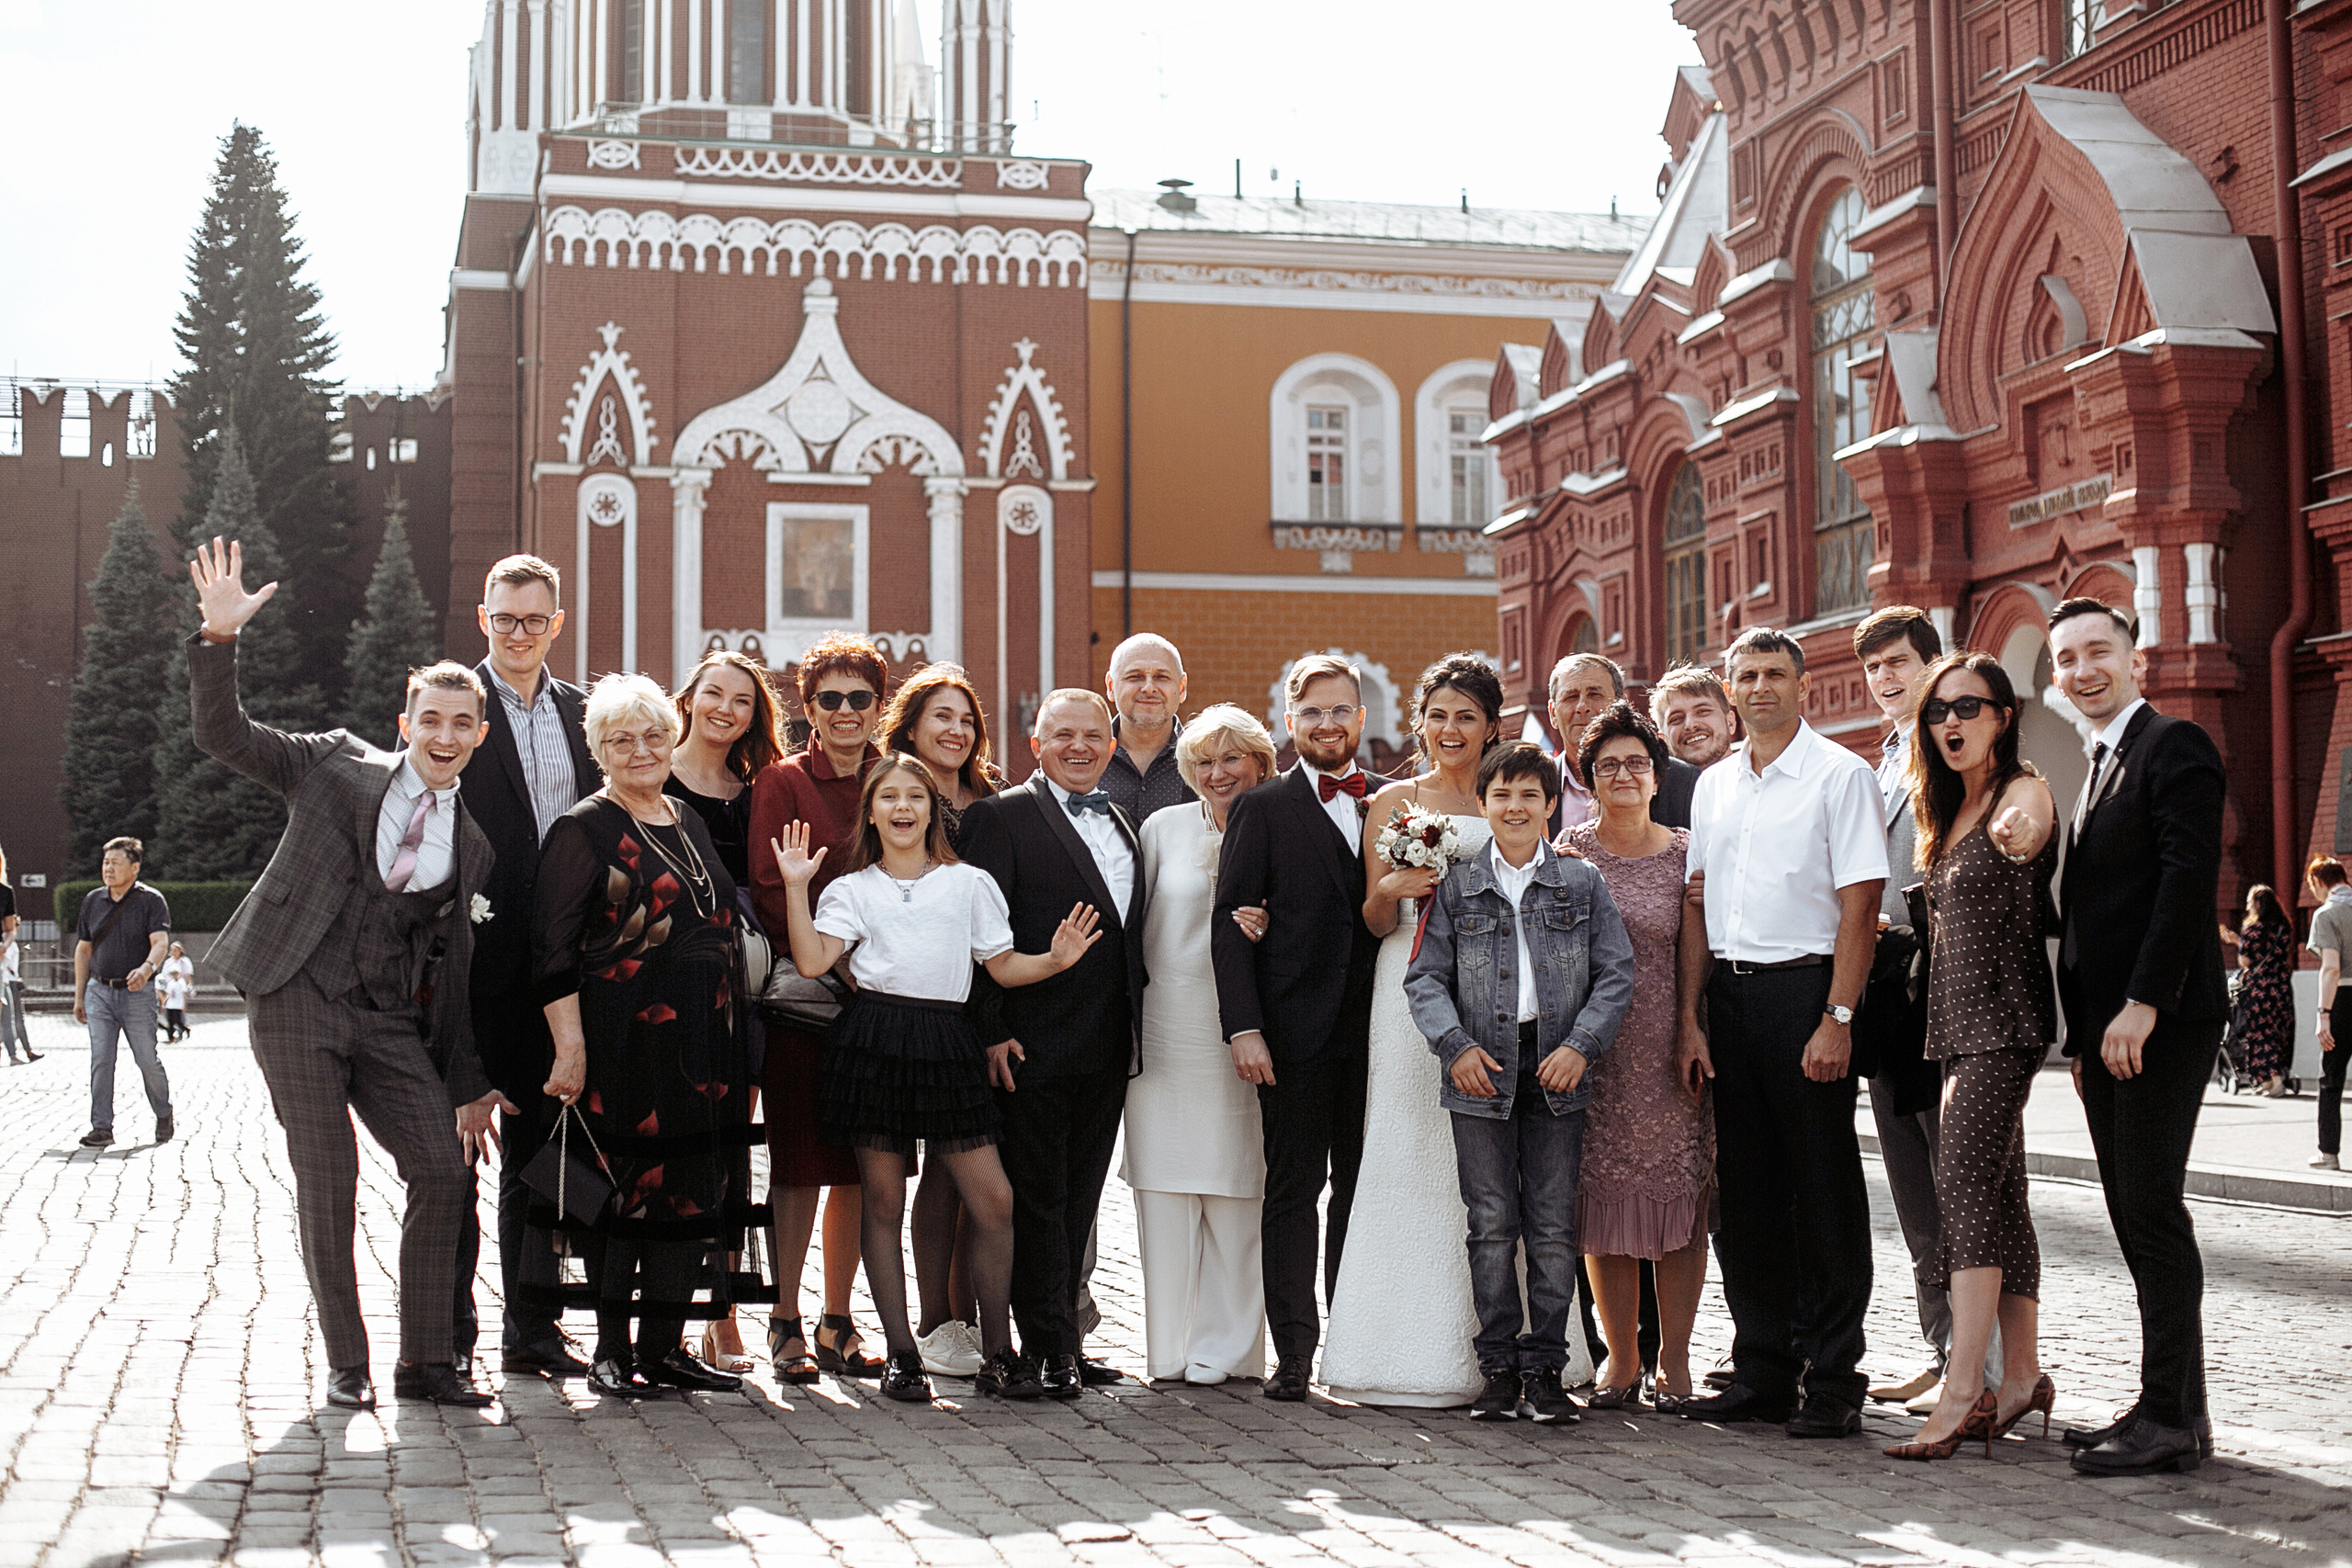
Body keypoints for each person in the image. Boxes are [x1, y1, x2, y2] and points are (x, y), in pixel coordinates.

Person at [187, 536, 508, 1410]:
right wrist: (220, 642)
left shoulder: (471, 846)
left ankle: (427, 1362)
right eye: (429, 720)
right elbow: (225, 735)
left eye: (460, 723)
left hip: (384, 1017)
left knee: (443, 1169)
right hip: (294, 992)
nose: (443, 736)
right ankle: (348, 1363)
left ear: (478, 735)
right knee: (329, 1175)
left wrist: (469, 1079)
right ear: (406, 725)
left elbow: (461, 971)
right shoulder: (334, 763)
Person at [774, 754, 1099, 1402]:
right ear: (870, 811)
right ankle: (902, 1354)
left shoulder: (970, 883)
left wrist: (1056, 960)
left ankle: (999, 1352)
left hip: (948, 1041)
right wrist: (793, 886)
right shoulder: (851, 888)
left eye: (913, 796)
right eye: (887, 796)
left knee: (994, 1199)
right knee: (884, 1199)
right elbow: (812, 960)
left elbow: (1002, 967)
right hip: (876, 1040)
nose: (901, 807)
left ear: (931, 808)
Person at [1679, 626, 1886, 1438]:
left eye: (1775, 673)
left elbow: (1861, 908)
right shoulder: (1714, 785)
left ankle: (1835, 1376)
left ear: (1802, 684)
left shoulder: (1842, 775)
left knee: (1825, 1191)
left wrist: (1837, 1017)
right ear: (1731, 691)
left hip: (1807, 997)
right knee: (1750, 1195)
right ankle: (1764, 1366)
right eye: (1747, 676)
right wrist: (1691, 1019)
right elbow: (1699, 909)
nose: (1760, 687)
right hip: (1729, 1002)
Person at [2048, 596, 2228, 1477]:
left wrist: (2145, 1003)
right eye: (2067, 658)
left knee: (2151, 1211)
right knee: (2132, 1211)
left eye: (2098, 652)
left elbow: (2189, 881)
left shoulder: (2172, 745)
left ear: (2133, 657)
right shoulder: (2098, 761)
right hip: (2110, 1032)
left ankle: (2167, 1416)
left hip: (2158, 1021)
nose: (2083, 670)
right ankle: (2176, 1406)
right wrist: (2087, 1034)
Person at [535, 673, 751, 1400]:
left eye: (654, 734)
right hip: (622, 1044)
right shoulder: (582, 828)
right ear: (598, 749)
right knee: (625, 1196)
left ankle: (663, 1345)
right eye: (621, 739)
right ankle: (609, 1350)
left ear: (672, 738)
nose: (640, 749)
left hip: (702, 1045)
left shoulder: (685, 820)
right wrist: (569, 1048)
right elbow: (552, 952)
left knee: (693, 1192)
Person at [1324, 653, 1528, 1406]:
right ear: (1421, 723)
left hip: (1495, 990)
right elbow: (1372, 918)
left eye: (1466, 716)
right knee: (1406, 1149)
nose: (1451, 729)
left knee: (1491, 1163)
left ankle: (1502, 1345)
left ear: (1490, 725)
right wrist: (1394, 887)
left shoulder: (1512, 794)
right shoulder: (1396, 800)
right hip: (1405, 987)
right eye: (1438, 715)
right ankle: (1391, 1340)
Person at [1408, 739, 1634, 1422]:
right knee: (1490, 1220)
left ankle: (1546, 1369)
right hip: (1480, 1068)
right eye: (1501, 794)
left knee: (1552, 1222)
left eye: (1529, 795)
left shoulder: (1582, 882)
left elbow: (1616, 973)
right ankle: (1499, 1366)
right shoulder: (1455, 883)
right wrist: (1455, 1046)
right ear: (1483, 803)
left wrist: (1581, 1046)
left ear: (1549, 805)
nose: (1514, 806)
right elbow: (1424, 977)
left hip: (1556, 1064)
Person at [1883, 653, 2057, 1461]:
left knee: (1958, 1186)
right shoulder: (1946, 807)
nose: (1951, 723)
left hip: (2004, 1022)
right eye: (1938, 712)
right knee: (2003, 1190)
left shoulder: (2020, 790)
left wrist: (2024, 828)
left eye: (1970, 707)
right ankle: (2021, 1375)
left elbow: (2031, 824)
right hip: (1953, 1027)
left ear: (2003, 715)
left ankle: (1964, 1387)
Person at [961, 690, 1148, 1400]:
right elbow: (976, 935)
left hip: (1107, 1045)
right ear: (1033, 743)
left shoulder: (1124, 822)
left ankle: (1063, 1332)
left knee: (1081, 1198)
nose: (1080, 746)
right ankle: (1045, 1351)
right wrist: (992, 1028)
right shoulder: (999, 816)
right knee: (1039, 1196)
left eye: (1093, 735)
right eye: (1062, 734)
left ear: (1112, 743)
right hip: (1030, 1044)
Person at [1212, 653, 1385, 1402]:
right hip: (1290, 1033)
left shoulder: (1390, 802)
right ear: (1290, 721)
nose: (1327, 724)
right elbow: (1230, 921)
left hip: (1381, 1036)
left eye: (1340, 710)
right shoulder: (1264, 806)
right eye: (1312, 712)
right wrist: (1244, 1028)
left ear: (1361, 718)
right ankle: (1293, 1348)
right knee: (1293, 1190)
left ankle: (1350, 1337)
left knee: (1361, 1188)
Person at [457, 554, 600, 1382]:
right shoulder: (456, 704)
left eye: (533, 620)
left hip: (565, 971)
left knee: (546, 1156)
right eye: (504, 618)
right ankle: (450, 1328)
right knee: (456, 1160)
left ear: (556, 622)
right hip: (478, 966)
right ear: (485, 619)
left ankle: (534, 1328)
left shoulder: (583, 712)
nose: (518, 633)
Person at [747, 635, 890, 1383]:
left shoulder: (893, 777)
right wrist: (844, 962)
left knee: (859, 1168)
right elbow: (773, 889)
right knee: (800, 1164)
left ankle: (838, 1318)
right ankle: (784, 1317)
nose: (844, 712)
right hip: (807, 1005)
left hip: (881, 1006)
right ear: (807, 708)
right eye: (829, 699)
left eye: (858, 698)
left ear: (879, 705)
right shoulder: (783, 781)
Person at [1852, 605, 1982, 1417]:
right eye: (1875, 668)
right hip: (1891, 998)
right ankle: (1944, 1348)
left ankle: (1991, 1363)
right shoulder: (1884, 760)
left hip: (1951, 996)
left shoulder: (1954, 756)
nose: (1886, 679)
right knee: (1911, 1187)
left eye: (1900, 662)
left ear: (1934, 664)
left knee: (1965, 1184)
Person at [1125, 705, 1277, 1385]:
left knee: (1240, 1189)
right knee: (1164, 1188)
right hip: (1166, 1029)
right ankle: (1168, 1350)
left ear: (1261, 763)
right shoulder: (1162, 828)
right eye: (1204, 761)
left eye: (1232, 759)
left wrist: (1270, 921)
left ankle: (1234, 1350)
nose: (1218, 773)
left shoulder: (1281, 825)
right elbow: (1135, 929)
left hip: (1246, 1032)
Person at [1567, 704, 1713, 1413]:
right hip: (1596, 1049)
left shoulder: (1688, 849)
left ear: (1657, 775)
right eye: (1607, 764)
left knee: (1679, 1203)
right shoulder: (1569, 851)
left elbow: (1698, 948)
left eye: (1636, 762)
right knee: (1604, 1206)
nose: (1623, 774)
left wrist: (1689, 1025)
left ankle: (1675, 1363)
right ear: (1588, 777)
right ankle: (1621, 1360)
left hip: (1669, 1045)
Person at [881, 662, 1005, 1378]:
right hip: (904, 1013)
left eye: (966, 719)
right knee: (908, 1173)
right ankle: (931, 1320)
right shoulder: (893, 792)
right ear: (913, 726)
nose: (955, 730)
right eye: (941, 717)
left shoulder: (993, 800)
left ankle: (964, 1317)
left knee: (958, 1175)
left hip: (978, 1006)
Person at [666, 649, 787, 1375]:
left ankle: (722, 1313)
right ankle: (663, 1313)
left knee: (730, 1150)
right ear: (690, 698)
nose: (725, 709)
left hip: (735, 992)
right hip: (661, 989)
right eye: (714, 693)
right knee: (668, 1150)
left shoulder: (753, 791)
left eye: (741, 701)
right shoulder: (651, 776)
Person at [72, 837, 173, 1148]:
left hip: (137, 995)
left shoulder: (150, 900)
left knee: (146, 1059)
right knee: (101, 1059)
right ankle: (102, 1127)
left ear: (135, 867)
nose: (109, 868)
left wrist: (146, 970)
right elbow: (83, 950)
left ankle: (163, 1113)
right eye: (105, 863)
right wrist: (78, 996)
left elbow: (160, 942)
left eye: (116, 863)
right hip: (99, 991)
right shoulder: (92, 900)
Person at [1550, 655, 1700, 835]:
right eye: (1571, 697)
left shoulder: (1681, 781)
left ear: (1620, 705)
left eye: (1594, 694)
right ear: (1552, 713)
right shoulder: (1537, 783)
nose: (1582, 706)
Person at [1102, 633, 1195, 823]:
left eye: (1161, 677)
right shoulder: (1086, 757)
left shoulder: (1204, 761)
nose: (1149, 688)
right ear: (1111, 686)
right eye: (1135, 677)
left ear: (1182, 688)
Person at [2221, 886, 2294, 1099]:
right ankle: (2270, 1080)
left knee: (2259, 1033)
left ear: (2258, 904)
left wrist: (2237, 941)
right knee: (2278, 1030)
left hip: (2259, 988)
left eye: (2250, 902)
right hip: (2281, 985)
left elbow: (2244, 961)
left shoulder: (2253, 929)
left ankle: (2273, 1080)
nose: (2247, 907)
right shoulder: (2283, 926)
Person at [2304, 856, 2352, 1169]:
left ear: (2320, 882)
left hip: (2344, 1000)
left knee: (2331, 1079)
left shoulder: (2327, 915)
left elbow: (2331, 967)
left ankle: (2329, 1153)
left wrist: (2323, 1014)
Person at [1650, 665, 1737, 770]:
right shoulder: (1650, 785)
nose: (1690, 725)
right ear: (1663, 741)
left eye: (1702, 711)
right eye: (1676, 719)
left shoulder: (1759, 781)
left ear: (1730, 723)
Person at [0, 849, 36, 1065]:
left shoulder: (5, 892)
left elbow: (10, 928)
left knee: (7, 1012)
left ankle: (14, 1054)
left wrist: (4, 947)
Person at [158, 944, 193, 1043]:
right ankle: (172, 1033)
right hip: (170, 990)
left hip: (179, 993)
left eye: (176, 950)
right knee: (170, 1017)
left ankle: (181, 1030)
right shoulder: (169, 962)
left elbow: (187, 975)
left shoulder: (184, 962)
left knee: (179, 1017)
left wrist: (186, 988)